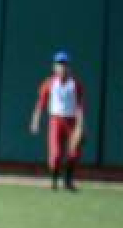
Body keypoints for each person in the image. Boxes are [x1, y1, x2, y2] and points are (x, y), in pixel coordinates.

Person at [30, 51, 85, 192]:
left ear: (69, 67)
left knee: (74, 153)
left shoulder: (75, 84)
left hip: (71, 121)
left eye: (64, 64)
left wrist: (80, 126)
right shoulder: (49, 83)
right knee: (56, 153)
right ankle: (53, 181)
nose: (62, 67)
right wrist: (35, 120)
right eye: (59, 64)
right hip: (56, 120)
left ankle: (68, 181)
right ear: (54, 67)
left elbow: (80, 106)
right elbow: (41, 103)